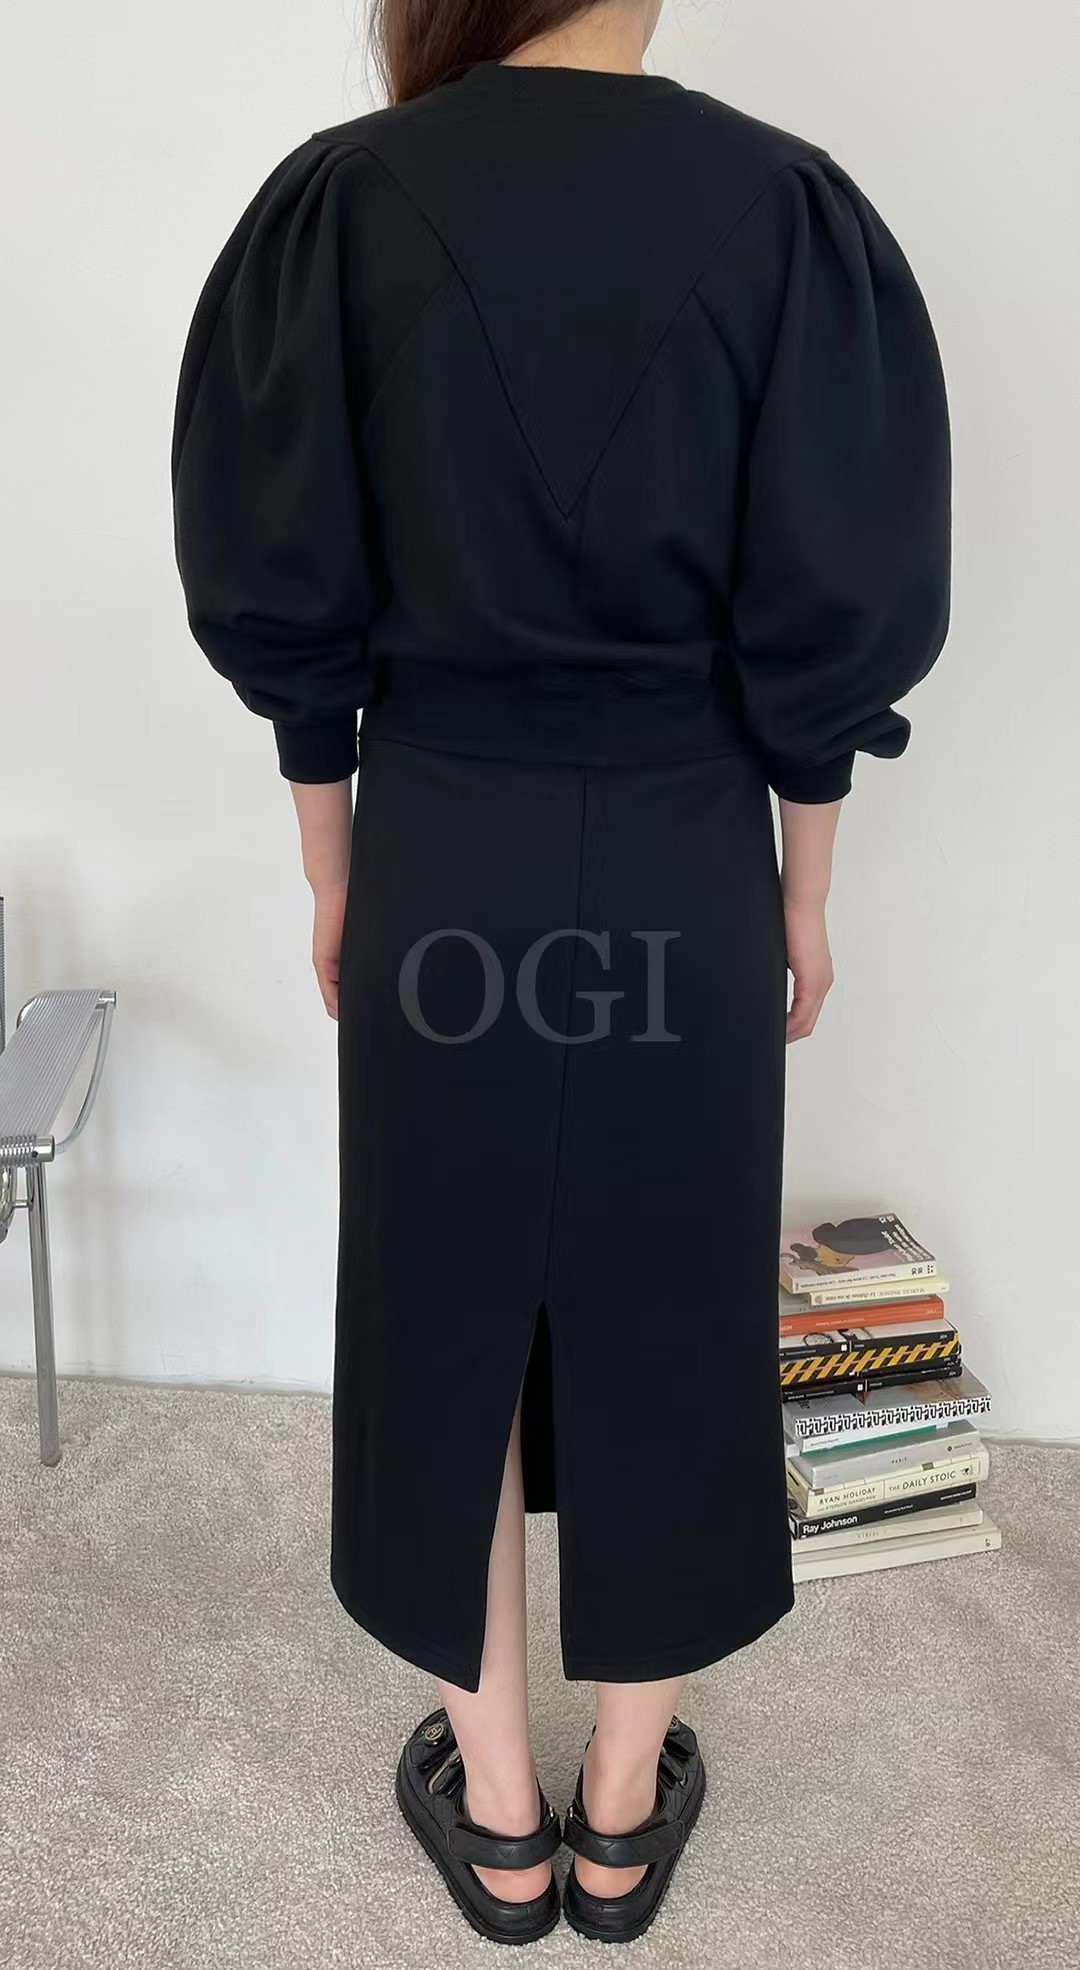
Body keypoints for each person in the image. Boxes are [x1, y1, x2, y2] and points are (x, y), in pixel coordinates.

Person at [170, 0, 951, 1944]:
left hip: (443, 849)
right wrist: (805, 892)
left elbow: (290, 593)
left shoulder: (341, 208)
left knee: (439, 1315)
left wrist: (332, 869)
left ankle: (500, 1821)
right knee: (671, 1305)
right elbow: (825, 618)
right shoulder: (785, 212)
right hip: (687, 856)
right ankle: (620, 1820)